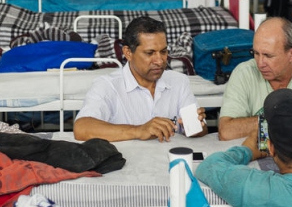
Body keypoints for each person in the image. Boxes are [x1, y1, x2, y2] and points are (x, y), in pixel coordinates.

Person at [74, 17, 207, 142]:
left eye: (164, 51)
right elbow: (82, 128)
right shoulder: (107, 86)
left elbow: (201, 132)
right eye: (150, 53)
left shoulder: (179, 81)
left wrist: (197, 126)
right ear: (128, 53)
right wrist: (138, 130)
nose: (159, 61)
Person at [217, 17, 292, 141]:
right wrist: (289, 120)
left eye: (268, 55)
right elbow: (226, 131)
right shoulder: (243, 73)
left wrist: (263, 125)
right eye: (256, 53)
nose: (260, 63)